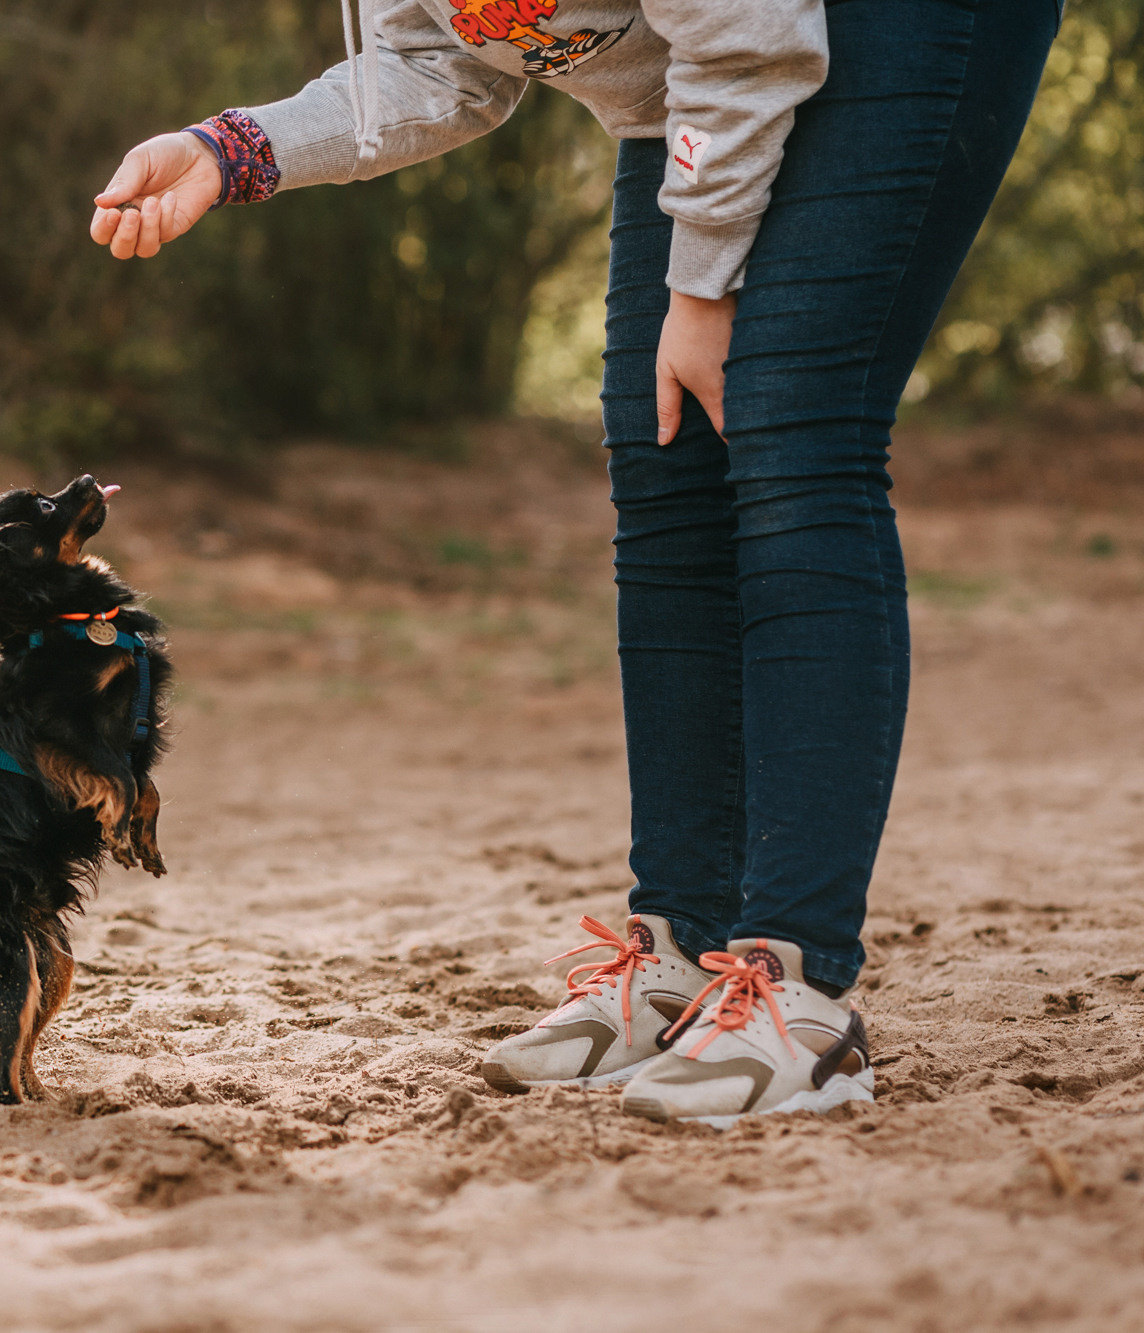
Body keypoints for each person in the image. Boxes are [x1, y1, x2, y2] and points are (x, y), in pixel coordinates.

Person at [90, 0, 1058, 1122]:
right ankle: (680, 949)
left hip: (882, 24)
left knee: (790, 426)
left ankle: (796, 993)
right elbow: (431, 69)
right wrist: (225, 150)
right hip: (700, 69)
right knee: (660, 454)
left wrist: (696, 292)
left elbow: (751, 39)